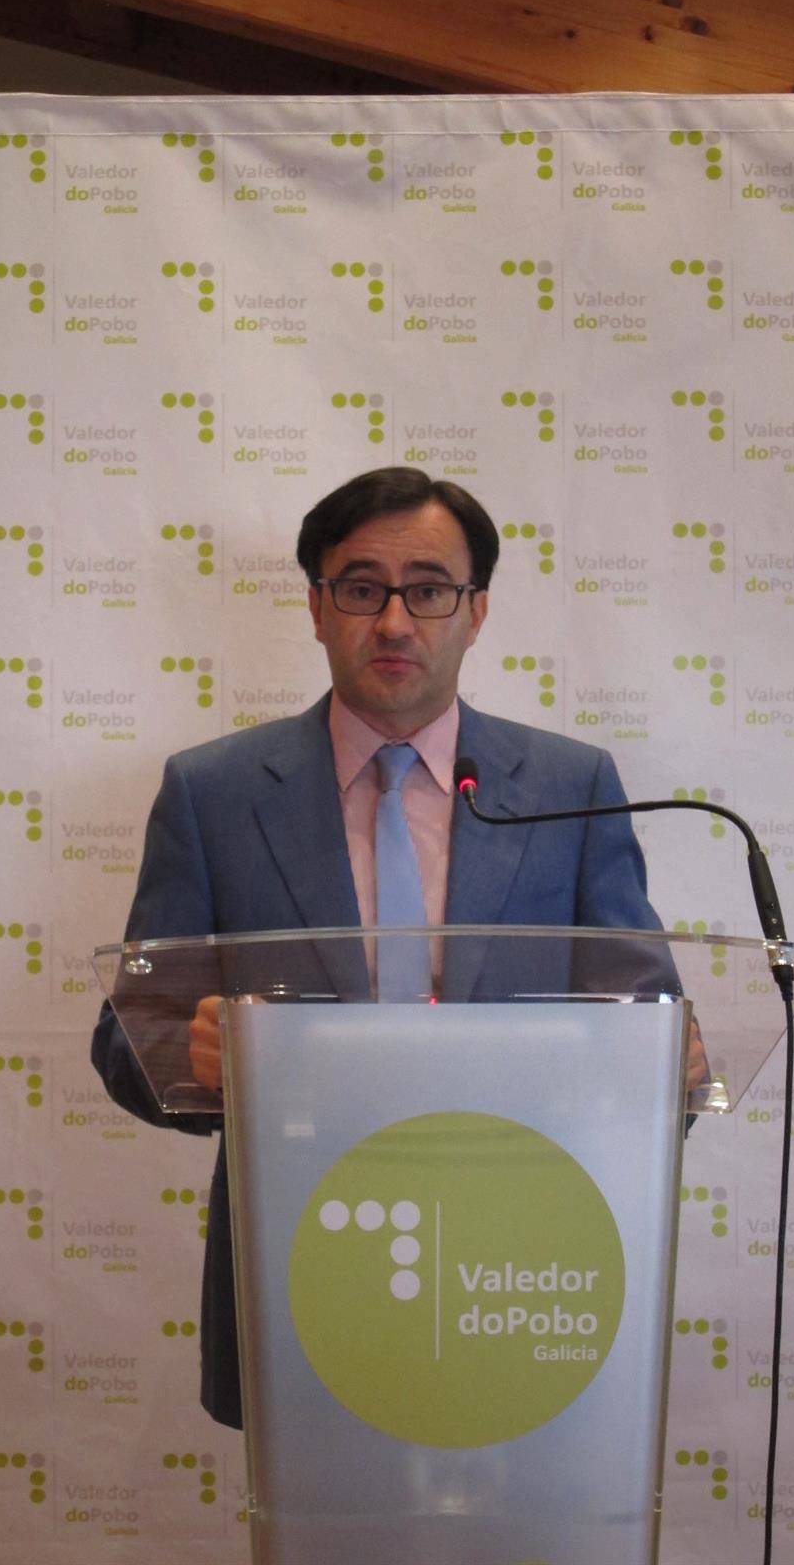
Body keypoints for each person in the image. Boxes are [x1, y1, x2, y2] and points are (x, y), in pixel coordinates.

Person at [92, 465, 706, 1428]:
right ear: (316, 606)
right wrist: (192, 1053)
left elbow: (649, 1021)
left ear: (476, 611)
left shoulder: (570, 786)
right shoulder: (212, 795)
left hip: (524, 1265)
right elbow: (130, 1038)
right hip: (301, 1252)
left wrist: (670, 1056)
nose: (392, 621)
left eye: (427, 590)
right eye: (360, 588)